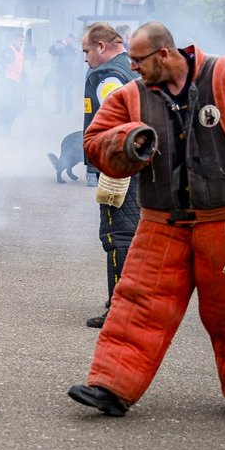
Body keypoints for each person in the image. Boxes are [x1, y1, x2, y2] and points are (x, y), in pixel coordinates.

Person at [67, 21, 225, 423]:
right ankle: (110, 387)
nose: (133, 67)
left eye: (138, 60)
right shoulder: (132, 95)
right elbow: (94, 141)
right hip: (162, 222)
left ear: (164, 54)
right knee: (136, 306)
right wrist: (128, 141)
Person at [78, 23, 140, 329]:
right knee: (135, 235)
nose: (85, 58)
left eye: (87, 50)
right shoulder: (133, 66)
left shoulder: (107, 76)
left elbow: (122, 114)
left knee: (119, 236)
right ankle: (129, 300)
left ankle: (120, 309)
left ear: (102, 46)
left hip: (122, 165)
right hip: (139, 163)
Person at [0, 32, 25, 136]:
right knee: (8, 106)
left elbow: (21, 69)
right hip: (8, 83)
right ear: (13, 40)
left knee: (15, 107)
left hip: (15, 84)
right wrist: (4, 83)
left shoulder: (19, 52)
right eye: (19, 40)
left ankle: (6, 129)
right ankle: (1, 130)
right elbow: (1, 66)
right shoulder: (8, 51)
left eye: (22, 40)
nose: (20, 42)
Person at [49, 33, 80, 115]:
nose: (68, 40)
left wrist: (66, 46)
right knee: (59, 93)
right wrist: (55, 45)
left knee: (67, 94)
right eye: (67, 38)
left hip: (68, 76)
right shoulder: (62, 49)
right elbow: (51, 52)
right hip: (59, 74)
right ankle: (58, 109)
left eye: (70, 39)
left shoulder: (73, 49)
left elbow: (71, 57)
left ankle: (68, 110)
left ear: (73, 40)